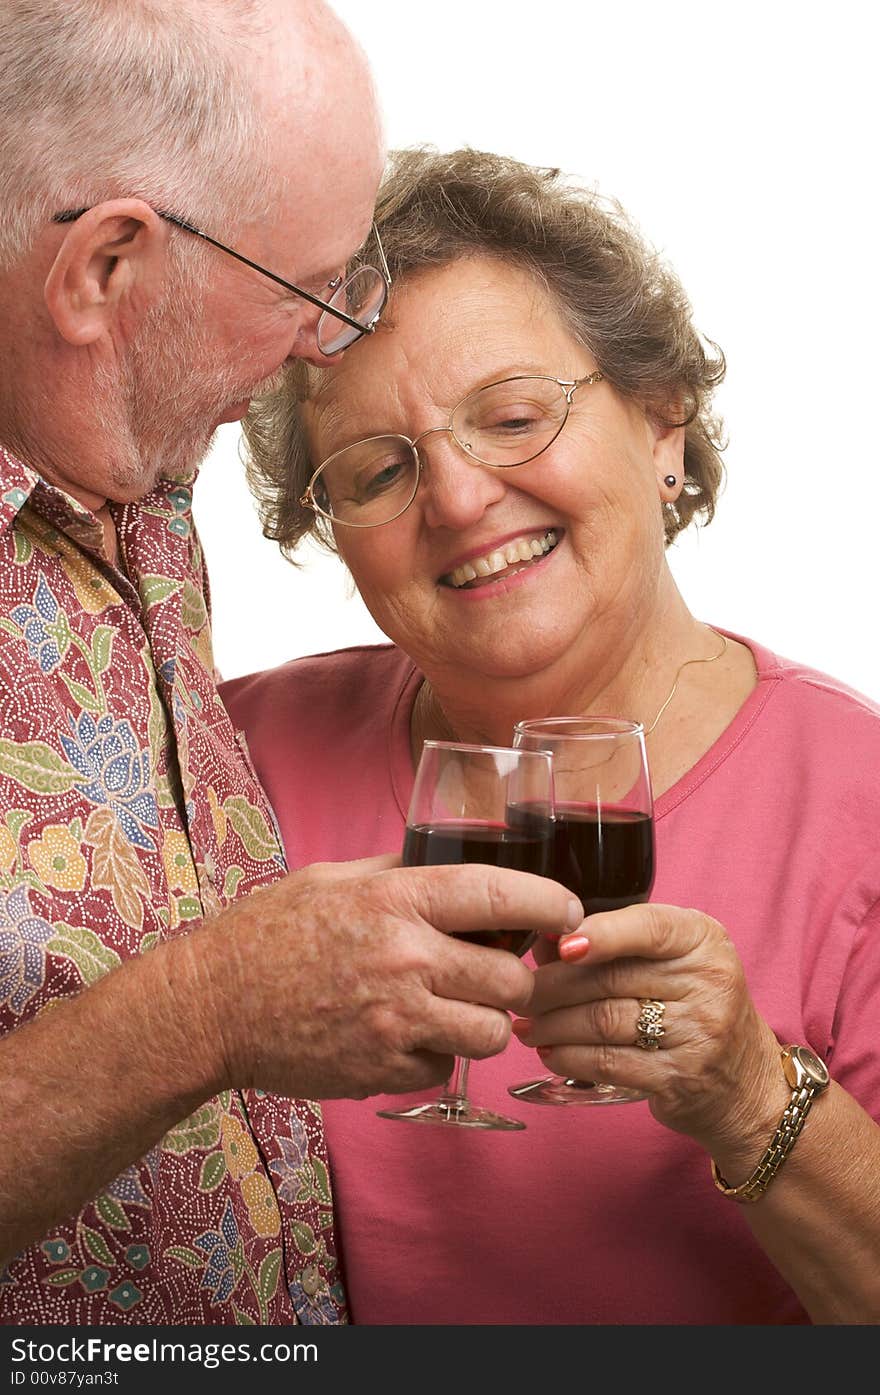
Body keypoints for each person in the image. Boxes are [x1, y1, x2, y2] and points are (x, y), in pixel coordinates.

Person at [225, 146, 880, 1325]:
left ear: (663, 422)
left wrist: (750, 1095)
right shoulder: (227, 761)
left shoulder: (858, 805)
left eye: (514, 417)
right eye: (376, 470)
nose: (461, 499)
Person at [0, 11, 580, 1327]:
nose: (333, 344)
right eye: (315, 293)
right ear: (104, 269)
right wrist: (208, 1007)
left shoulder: (129, 468)